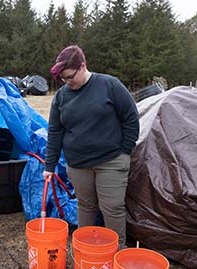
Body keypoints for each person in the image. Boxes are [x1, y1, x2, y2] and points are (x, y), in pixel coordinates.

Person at [43, 45, 140, 248]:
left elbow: (130, 119)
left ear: (83, 66)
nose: (67, 82)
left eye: (70, 77)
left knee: (112, 207)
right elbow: (55, 132)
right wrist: (49, 166)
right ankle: (85, 249)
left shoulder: (109, 85)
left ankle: (116, 251)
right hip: (77, 164)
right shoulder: (61, 97)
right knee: (86, 206)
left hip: (111, 161)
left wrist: (124, 152)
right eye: (63, 79)